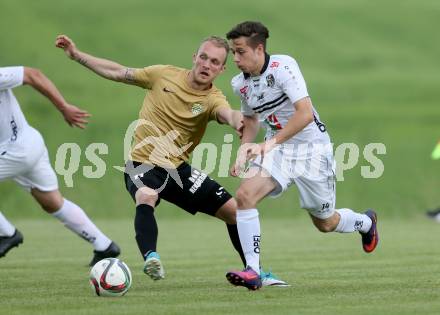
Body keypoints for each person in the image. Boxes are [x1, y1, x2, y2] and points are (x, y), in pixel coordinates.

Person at [55, 34, 288, 286]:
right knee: (146, 195)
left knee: (234, 211)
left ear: (222, 69)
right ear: (194, 58)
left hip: (178, 170)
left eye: (214, 62)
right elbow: (118, 72)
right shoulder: (162, 75)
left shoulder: (212, 99)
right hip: (142, 164)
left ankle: (254, 272)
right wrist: (77, 55)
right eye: (203, 57)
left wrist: (238, 122)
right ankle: (151, 257)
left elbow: (227, 113)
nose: (206, 65)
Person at [224, 21, 379, 290]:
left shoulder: (283, 67)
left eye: (240, 52)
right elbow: (250, 120)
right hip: (279, 151)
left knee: (326, 223)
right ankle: (253, 270)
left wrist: (268, 144)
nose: (235, 58)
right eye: (233, 52)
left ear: (259, 49)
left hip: (312, 151)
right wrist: (244, 150)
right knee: (244, 196)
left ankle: (365, 222)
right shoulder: (240, 84)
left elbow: (305, 114)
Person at [0, 66, 120, 266]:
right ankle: (104, 246)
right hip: (28, 144)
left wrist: (63, 106)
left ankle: (6, 234)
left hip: (17, 149)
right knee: (52, 202)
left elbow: (32, 74)